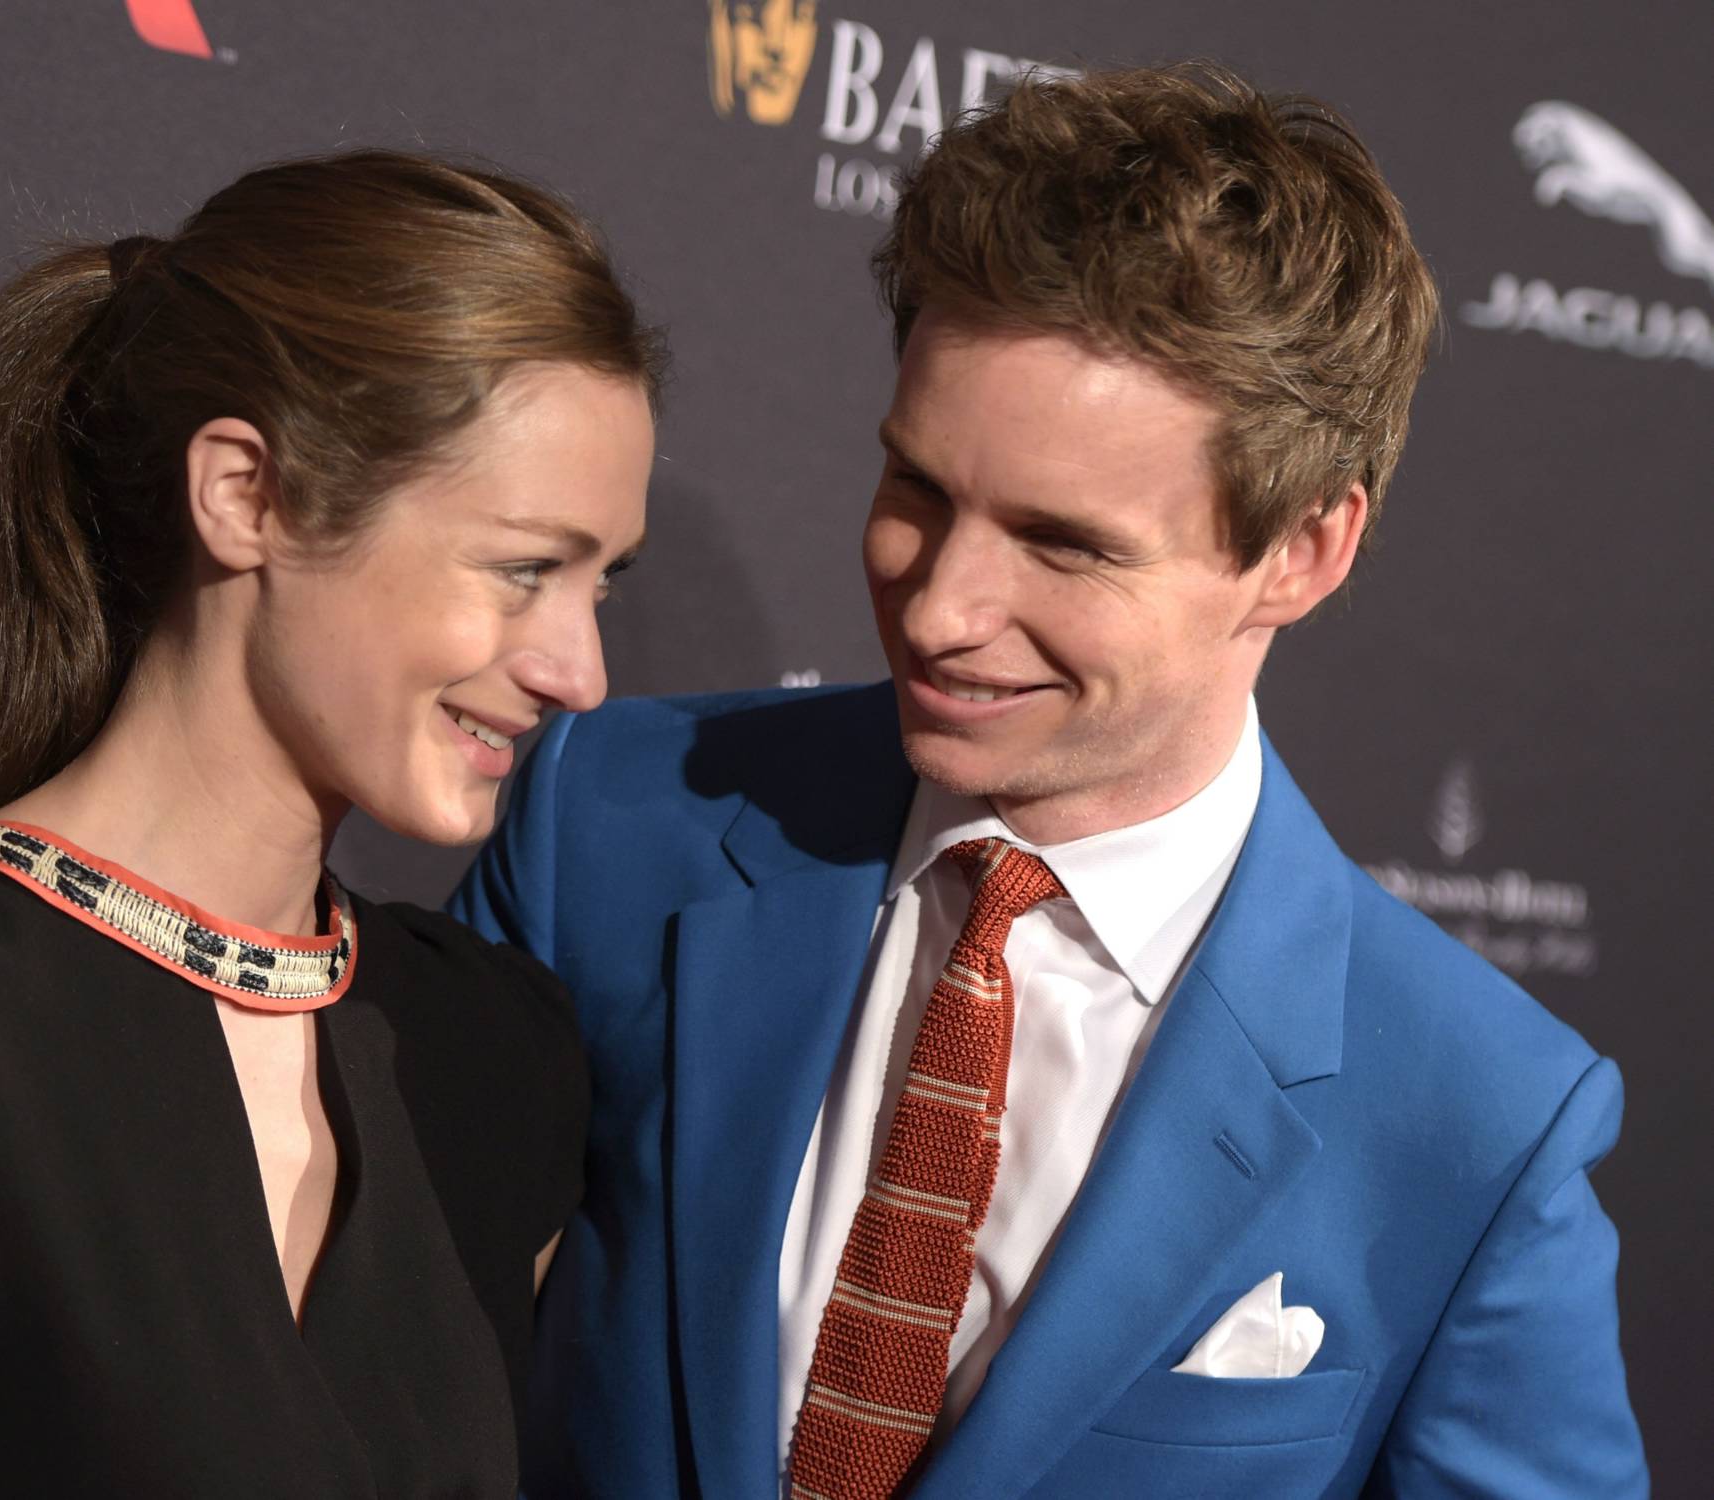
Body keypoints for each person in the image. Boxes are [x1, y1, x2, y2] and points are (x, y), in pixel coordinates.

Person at [454, 65, 1646, 1498]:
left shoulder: (1477, 1120)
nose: (943, 605)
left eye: (1064, 543)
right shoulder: (617, 825)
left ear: (1302, 555)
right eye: (917, 491)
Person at [0, 150, 661, 1499]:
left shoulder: (492, 1046)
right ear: (248, 495)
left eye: (600, 585)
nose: (579, 671)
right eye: (523, 569)